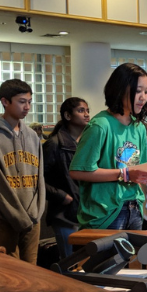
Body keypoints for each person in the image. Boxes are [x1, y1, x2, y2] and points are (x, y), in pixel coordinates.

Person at [70, 63, 147, 230]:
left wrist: (143, 175)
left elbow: (137, 170)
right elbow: (77, 171)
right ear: (120, 89)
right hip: (105, 213)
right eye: (138, 91)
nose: (143, 97)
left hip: (134, 207)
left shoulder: (139, 127)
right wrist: (124, 174)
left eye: (146, 91)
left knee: (136, 257)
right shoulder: (100, 125)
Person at [0, 79, 45, 264]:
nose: (27, 107)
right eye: (22, 102)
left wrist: (37, 212)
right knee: (10, 271)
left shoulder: (32, 136)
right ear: (5, 101)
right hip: (4, 216)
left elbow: (40, 178)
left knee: (31, 269)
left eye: (29, 101)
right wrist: (17, 215)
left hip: (32, 216)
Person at [43, 97, 88, 262]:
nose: (87, 114)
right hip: (64, 213)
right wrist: (61, 196)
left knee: (86, 262)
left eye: (87, 110)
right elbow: (39, 180)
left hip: (84, 211)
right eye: (81, 110)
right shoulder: (54, 144)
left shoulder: (85, 143)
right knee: (70, 262)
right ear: (68, 116)